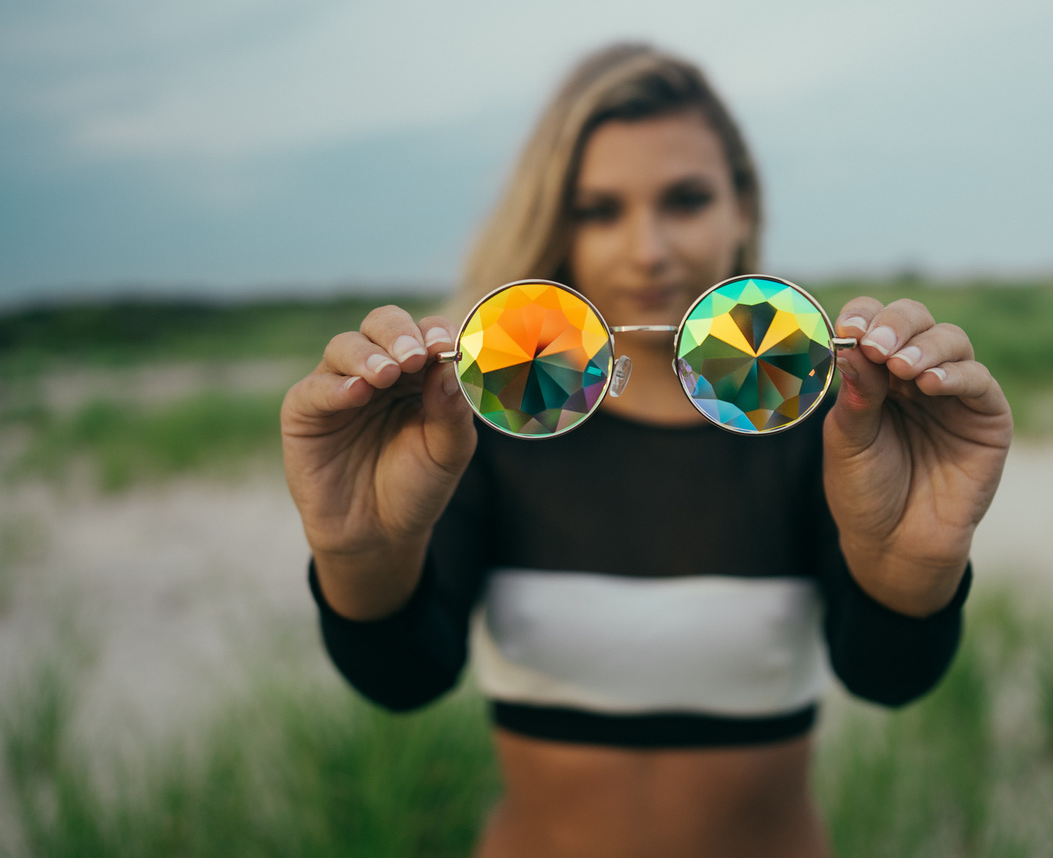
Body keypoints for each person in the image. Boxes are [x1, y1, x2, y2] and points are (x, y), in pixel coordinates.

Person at [281, 43, 1013, 858]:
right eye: (599, 210)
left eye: (686, 200)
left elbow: (889, 677)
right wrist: (355, 553)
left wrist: (915, 565)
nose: (648, 249)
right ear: (554, 223)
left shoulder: (831, 424)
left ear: (743, 208)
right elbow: (404, 680)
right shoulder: (472, 423)